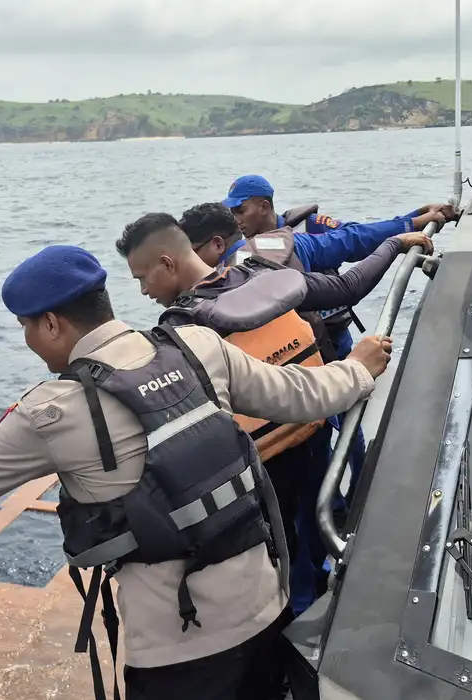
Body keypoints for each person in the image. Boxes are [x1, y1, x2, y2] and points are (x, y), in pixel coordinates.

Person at [0, 244, 395, 700]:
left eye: (26, 327)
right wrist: (358, 367)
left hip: (181, 646)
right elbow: (302, 394)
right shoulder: (197, 344)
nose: (28, 341)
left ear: (51, 323)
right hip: (266, 603)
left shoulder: (50, 411)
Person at [115, 212, 427, 615]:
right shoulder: (261, 274)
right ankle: (327, 605)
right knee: (317, 538)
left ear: (167, 264)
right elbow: (348, 286)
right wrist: (395, 245)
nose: (143, 291)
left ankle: (296, 643)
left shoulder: (180, 330)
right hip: (316, 438)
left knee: (286, 565)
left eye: (142, 277)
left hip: (264, 475)